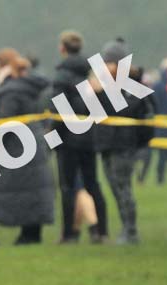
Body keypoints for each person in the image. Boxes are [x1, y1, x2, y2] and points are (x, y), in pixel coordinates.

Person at [91, 39, 154, 244]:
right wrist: (94, 93)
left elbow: (128, 111)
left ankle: (131, 231)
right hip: (107, 144)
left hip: (124, 145)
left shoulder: (133, 85)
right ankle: (125, 228)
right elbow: (96, 113)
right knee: (115, 189)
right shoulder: (106, 85)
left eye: (108, 62)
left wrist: (103, 93)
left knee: (124, 188)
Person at [51, 30, 108, 243]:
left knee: (67, 187)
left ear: (62, 48)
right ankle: (101, 232)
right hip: (89, 137)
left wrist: (52, 138)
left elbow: (59, 112)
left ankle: (68, 235)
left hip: (67, 139)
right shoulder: (88, 74)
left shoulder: (61, 77)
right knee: (93, 184)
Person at [0, 53, 56, 244]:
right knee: (34, 188)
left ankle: (27, 234)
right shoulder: (34, 88)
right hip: (35, 140)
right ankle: (33, 232)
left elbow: (4, 122)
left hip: (16, 147)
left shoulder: (9, 91)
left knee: (22, 189)